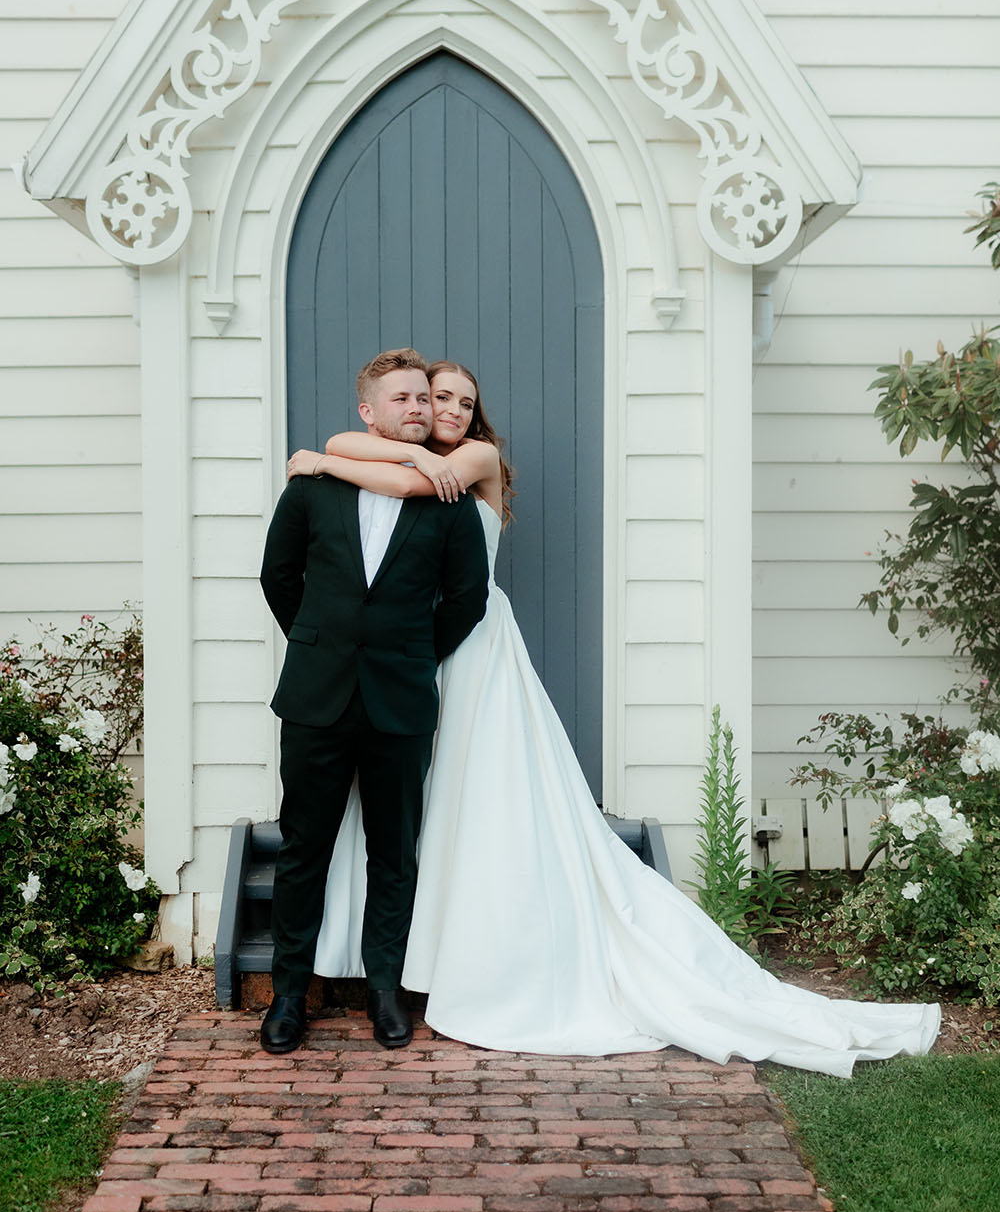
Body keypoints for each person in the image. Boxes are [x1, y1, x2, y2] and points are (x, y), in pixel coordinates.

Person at [287, 362, 941, 1078]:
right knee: (420, 807)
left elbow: (397, 483)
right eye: (433, 397)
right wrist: (364, 451)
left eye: (459, 401)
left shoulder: (468, 463)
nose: (443, 409)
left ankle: (464, 962)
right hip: (387, 667)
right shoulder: (402, 456)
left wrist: (338, 459)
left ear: (476, 416)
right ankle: (405, 957)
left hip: (464, 649)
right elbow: (346, 459)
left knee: (476, 793)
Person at [258, 349, 489, 1055]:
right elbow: (278, 575)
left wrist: (412, 654)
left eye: (426, 398)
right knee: (304, 850)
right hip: (316, 698)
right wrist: (320, 641)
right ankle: (289, 995)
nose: (420, 408)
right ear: (368, 411)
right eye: (403, 399)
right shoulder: (312, 487)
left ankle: (386, 993)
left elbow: (466, 600)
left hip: (400, 700)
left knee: (395, 854)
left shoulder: (447, 499)